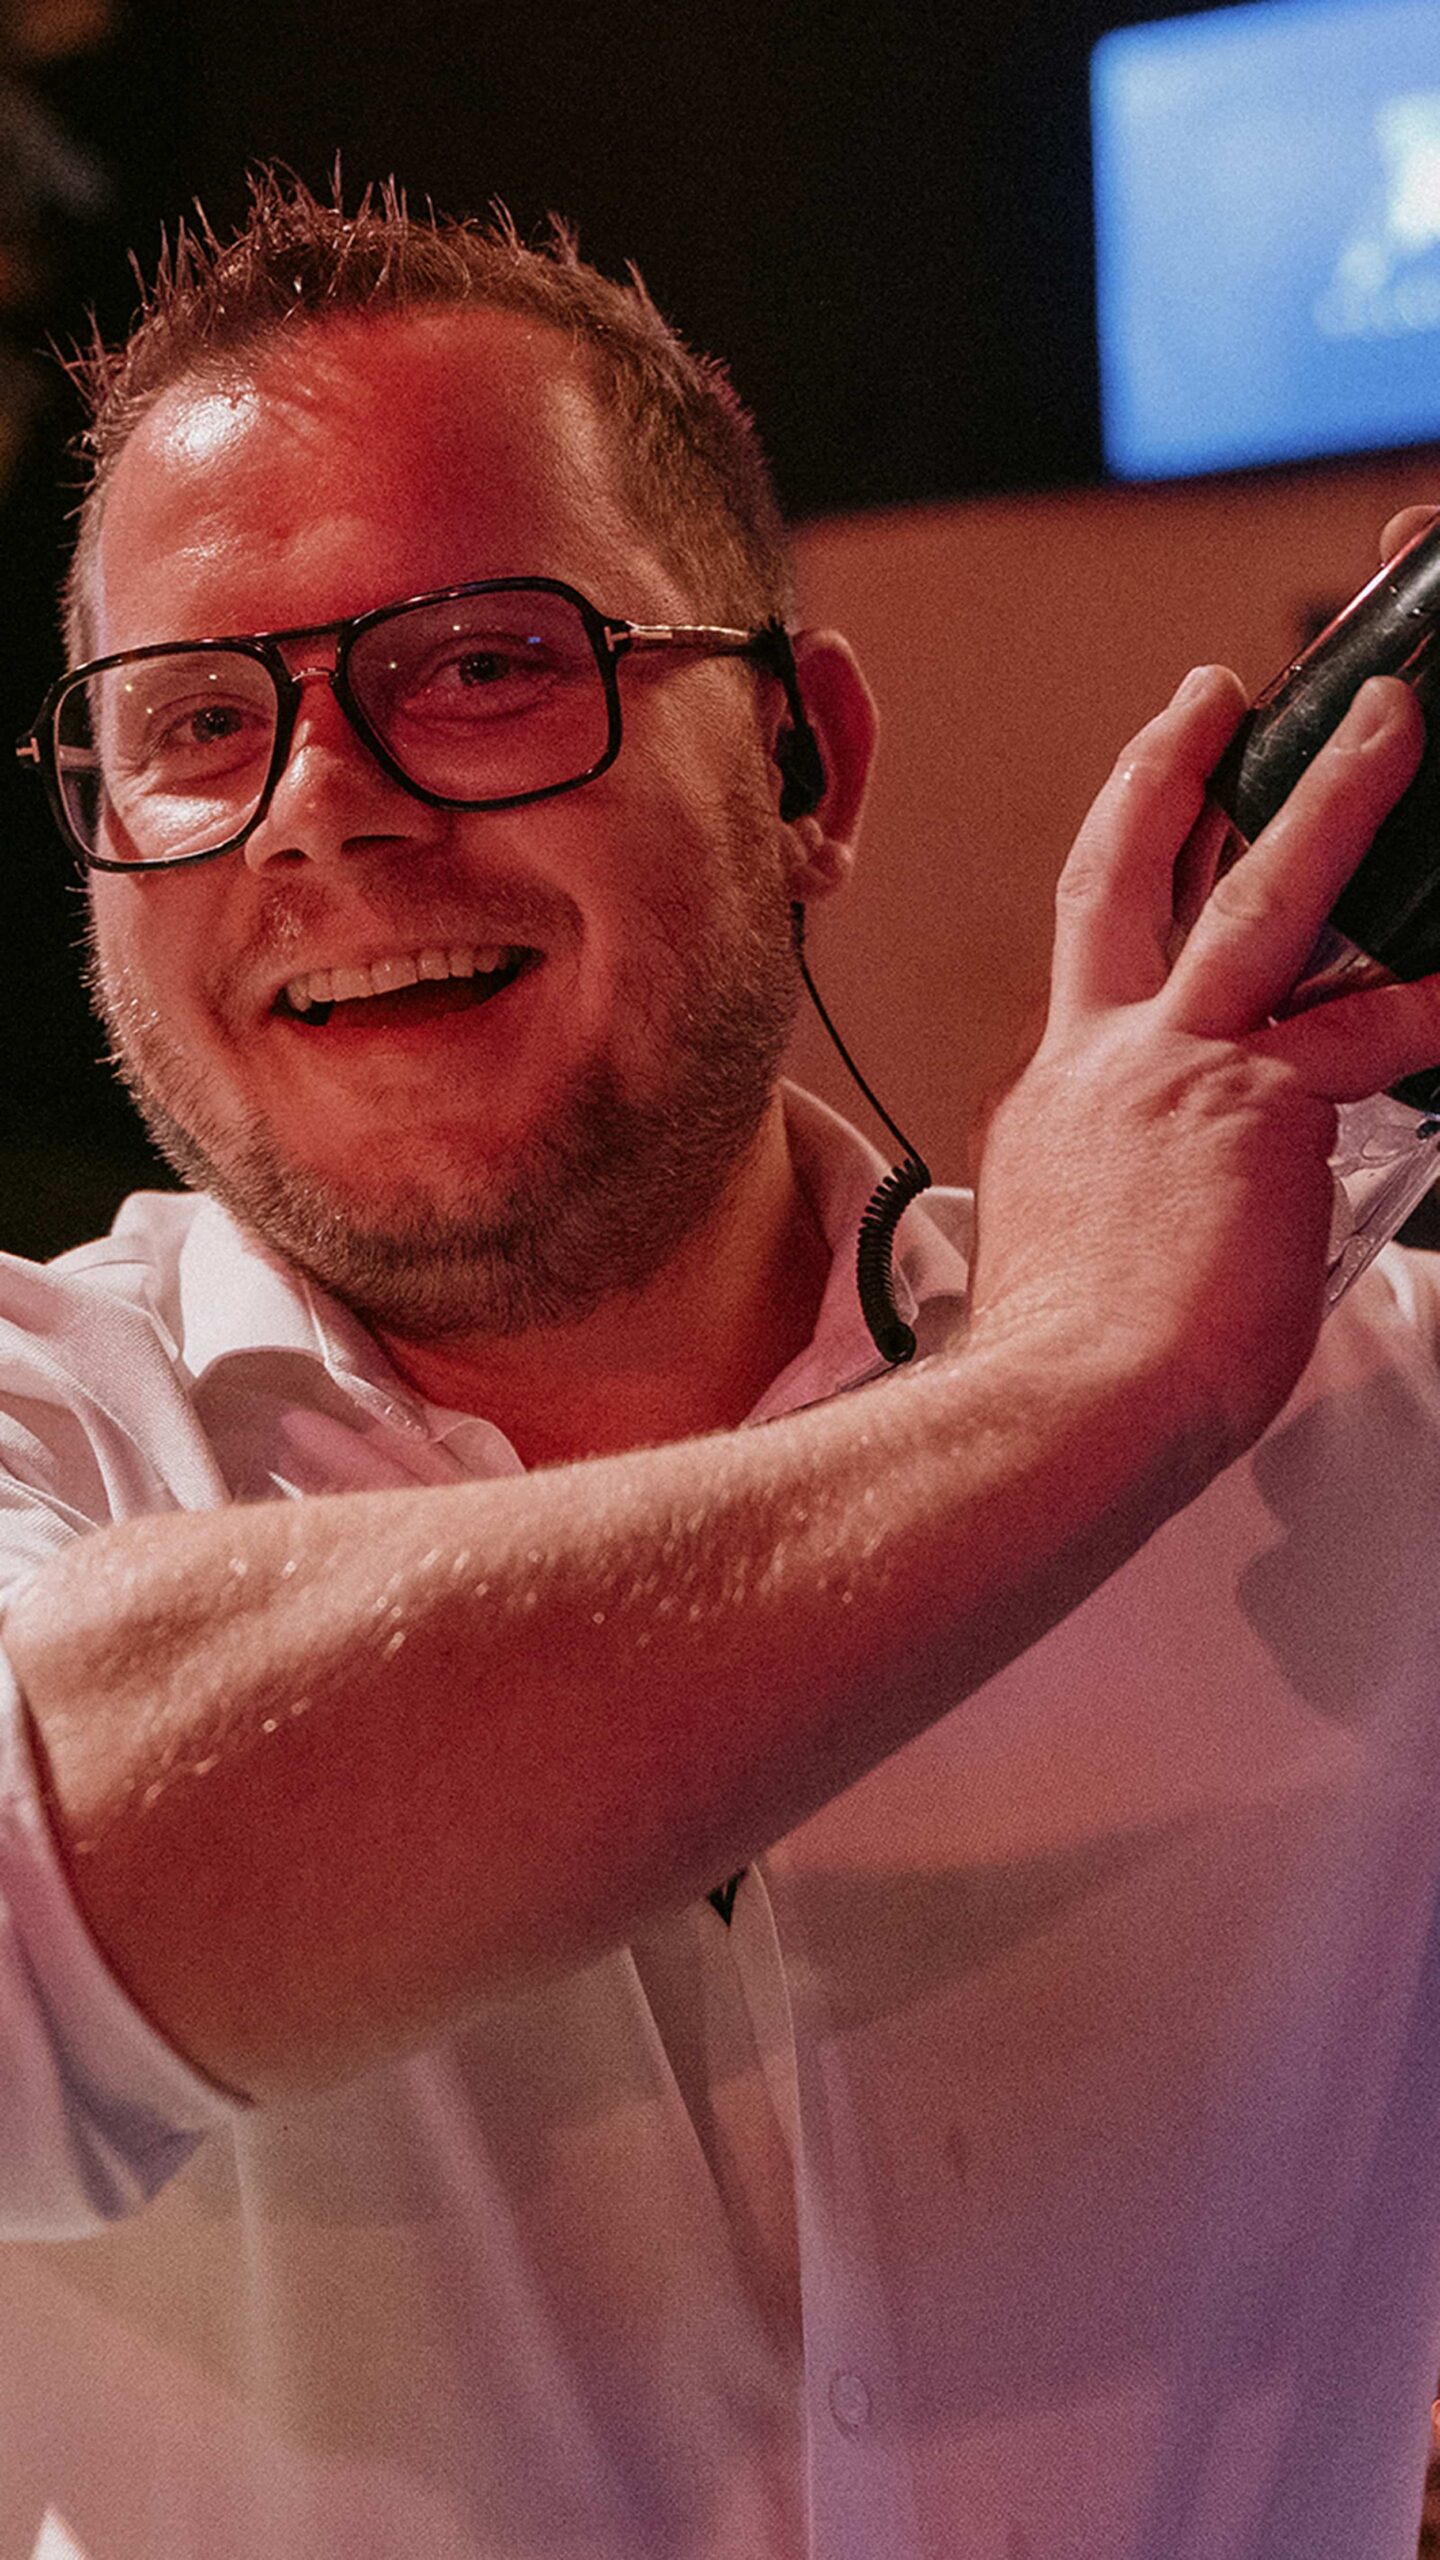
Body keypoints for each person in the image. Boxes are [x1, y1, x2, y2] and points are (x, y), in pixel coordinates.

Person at [2, 172, 1439, 2560]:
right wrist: (1073, 1393)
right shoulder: (45, 1430)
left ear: (804, 765)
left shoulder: (1371, 1434)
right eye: (194, 723)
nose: (321, 805)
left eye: (484, 662)